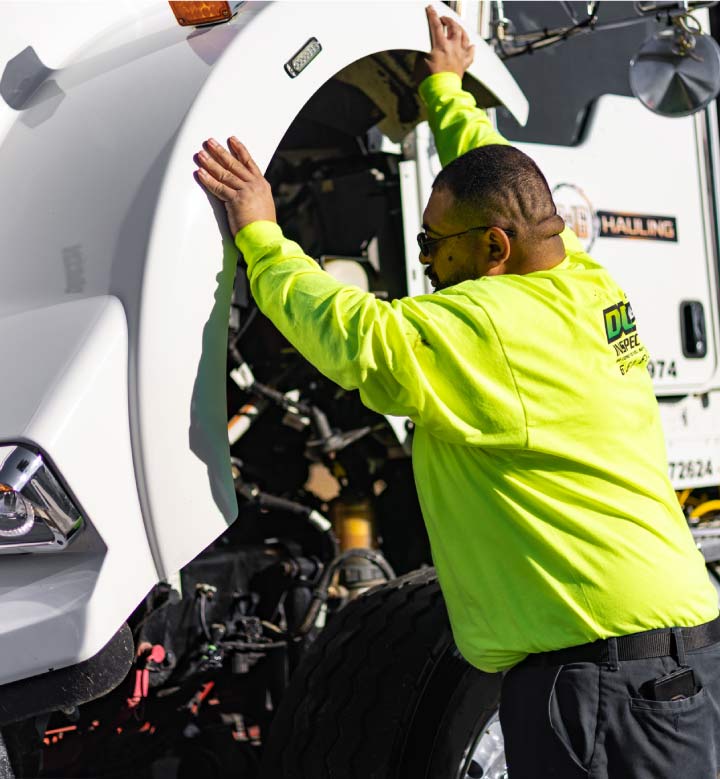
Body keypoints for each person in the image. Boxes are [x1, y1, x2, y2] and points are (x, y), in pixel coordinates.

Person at [195, 6, 720, 777]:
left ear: (494, 249)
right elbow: (498, 173)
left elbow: (354, 335)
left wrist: (261, 234)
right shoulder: (579, 279)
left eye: (432, 247)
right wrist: (447, 93)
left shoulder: (488, 325)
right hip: (656, 672)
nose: (428, 262)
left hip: (599, 685)